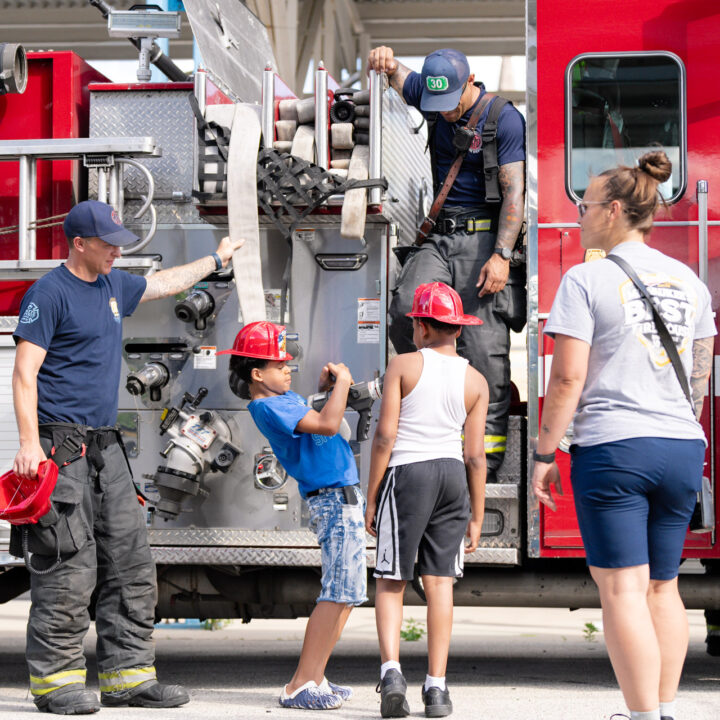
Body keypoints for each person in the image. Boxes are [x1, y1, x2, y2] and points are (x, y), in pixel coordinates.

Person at [11, 199, 246, 715]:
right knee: (69, 564)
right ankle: (56, 685)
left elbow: (163, 283)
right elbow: (24, 372)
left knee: (131, 562)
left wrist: (216, 259)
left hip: (104, 445)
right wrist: (29, 443)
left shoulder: (114, 285)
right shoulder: (48, 294)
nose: (119, 249)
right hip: (61, 446)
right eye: (109, 243)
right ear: (79, 243)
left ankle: (128, 677)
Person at [531, 151, 715, 720]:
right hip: (682, 446)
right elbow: (702, 372)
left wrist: (544, 453)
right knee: (664, 586)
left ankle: (642, 718)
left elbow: (566, 378)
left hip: (615, 449)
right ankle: (662, 708)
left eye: (584, 204)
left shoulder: (585, 278)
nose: (578, 212)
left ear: (613, 210)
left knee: (621, 590)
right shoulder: (691, 281)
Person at [367, 45, 526, 478]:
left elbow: (515, 193)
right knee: (405, 309)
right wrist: (384, 58)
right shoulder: (432, 90)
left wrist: (501, 256)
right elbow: (398, 75)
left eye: (452, 103)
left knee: (483, 355)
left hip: (484, 242)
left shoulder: (505, 119)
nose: (446, 113)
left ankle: (485, 466)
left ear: (470, 82)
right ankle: (431, 396)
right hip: (439, 237)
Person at [219, 320, 367, 710]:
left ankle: (316, 676)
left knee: (347, 595)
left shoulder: (285, 399)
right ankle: (299, 685)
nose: (287, 368)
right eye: (278, 363)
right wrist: (342, 385)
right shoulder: (267, 406)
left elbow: (318, 420)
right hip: (333, 500)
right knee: (335, 594)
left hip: (344, 498)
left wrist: (324, 392)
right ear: (256, 373)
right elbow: (328, 423)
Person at [365, 282, 488, 718]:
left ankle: (392, 674)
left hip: (409, 474)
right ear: (455, 329)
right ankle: (436, 689)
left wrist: (372, 494)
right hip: (453, 477)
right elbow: (475, 456)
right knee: (440, 585)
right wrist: (476, 513)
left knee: (391, 580)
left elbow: (385, 436)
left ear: (420, 326)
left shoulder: (403, 365)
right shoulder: (476, 380)